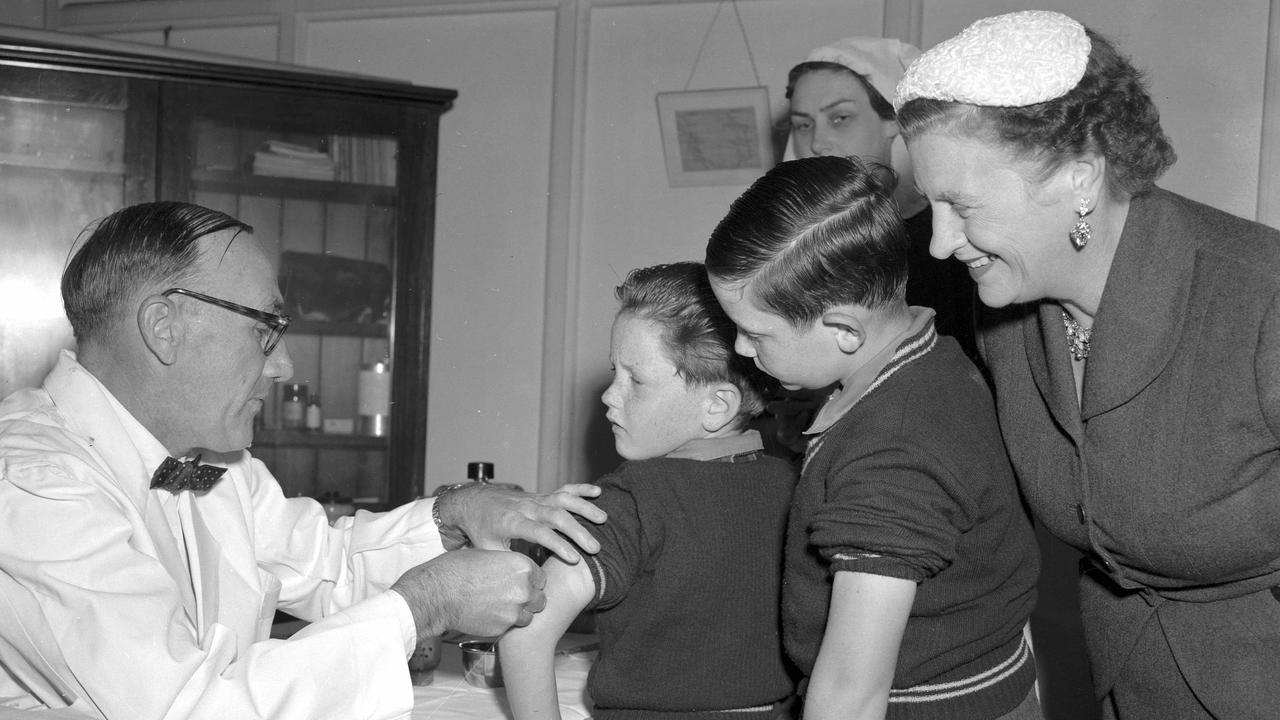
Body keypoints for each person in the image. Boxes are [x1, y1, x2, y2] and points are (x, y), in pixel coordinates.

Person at [0, 201, 606, 719]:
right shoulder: (33, 487)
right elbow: (187, 708)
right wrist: (428, 604)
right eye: (265, 327)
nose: (283, 364)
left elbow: (327, 566)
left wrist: (455, 516)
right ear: (164, 327)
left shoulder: (209, 459)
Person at [893, 10, 1280, 719]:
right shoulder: (1008, 308)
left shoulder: (1261, 296)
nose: (942, 244)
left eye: (961, 205)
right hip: (1122, 681)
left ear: (1079, 179)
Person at [705, 155, 1040, 720]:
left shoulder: (893, 454)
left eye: (755, 331)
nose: (740, 349)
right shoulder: (928, 358)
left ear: (843, 330)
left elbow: (851, 695)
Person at [500, 262, 796, 720]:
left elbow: (525, 632)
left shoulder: (630, 498)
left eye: (635, 380)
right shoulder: (794, 483)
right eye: (614, 372)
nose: (609, 395)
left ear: (716, 405)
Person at [785, 36, 976, 360]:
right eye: (803, 124)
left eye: (839, 118)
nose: (817, 143)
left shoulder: (955, 235)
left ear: (893, 121)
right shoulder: (812, 240)